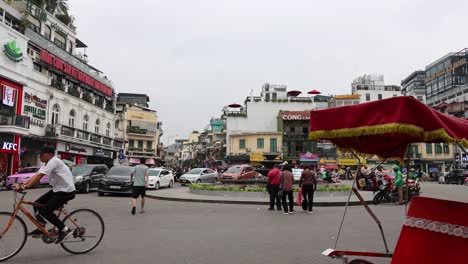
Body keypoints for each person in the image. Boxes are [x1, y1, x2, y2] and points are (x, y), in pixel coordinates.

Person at [11, 146, 76, 244]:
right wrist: (22, 185)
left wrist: (24, 187)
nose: (40, 156)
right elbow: (36, 175)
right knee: (36, 204)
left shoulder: (54, 161)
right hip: (57, 190)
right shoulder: (47, 163)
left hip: (66, 191)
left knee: (46, 211)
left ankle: (65, 230)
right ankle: (42, 227)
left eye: (42, 154)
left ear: (49, 154)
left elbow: (39, 176)